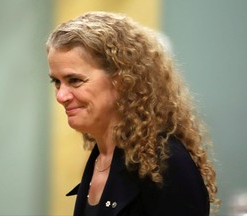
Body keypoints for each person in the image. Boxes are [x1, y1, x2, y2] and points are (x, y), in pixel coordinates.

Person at [46, 11, 219, 216]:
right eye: (56, 82)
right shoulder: (100, 158)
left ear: (122, 79)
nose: (61, 96)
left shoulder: (165, 163)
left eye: (74, 80)